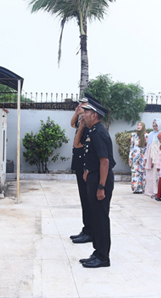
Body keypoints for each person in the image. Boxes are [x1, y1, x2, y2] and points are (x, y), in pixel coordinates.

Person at [79, 99, 115, 268]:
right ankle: (97, 252)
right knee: (96, 216)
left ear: (94, 115)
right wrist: (88, 170)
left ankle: (103, 257)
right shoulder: (93, 131)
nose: (83, 115)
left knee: (101, 218)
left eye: (86, 112)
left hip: (101, 179)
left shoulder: (99, 132)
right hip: (95, 176)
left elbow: (104, 161)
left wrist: (101, 186)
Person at [69, 97, 92, 244]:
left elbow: (79, 145)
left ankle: (90, 231)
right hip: (79, 163)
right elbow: (72, 124)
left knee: (87, 199)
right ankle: (86, 228)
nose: (80, 107)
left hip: (85, 164)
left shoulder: (89, 126)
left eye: (83, 105)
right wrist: (77, 113)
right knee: (84, 199)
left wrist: (86, 168)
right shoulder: (81, 122)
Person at [144, 119, 161, 199]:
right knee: (152, 176)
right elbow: (150, 147)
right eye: (154, 125)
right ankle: (152, 192)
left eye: (157, 125)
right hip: (152, 157)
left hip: (159, 159)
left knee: (158, 177)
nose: (155, 127)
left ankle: (158, 193)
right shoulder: (153, 135)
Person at [129, 121, 147, 194]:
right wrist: (130, 157)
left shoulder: (146, 136)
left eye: (140, 125)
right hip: (135, 157)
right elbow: (132, 147)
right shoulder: (134, 135)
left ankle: (142, 188)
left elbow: (147, 148)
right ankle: (135, 188)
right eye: (138, 125)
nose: (138, 126)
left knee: (142, 172)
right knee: (135, 172)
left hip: (143, 157)